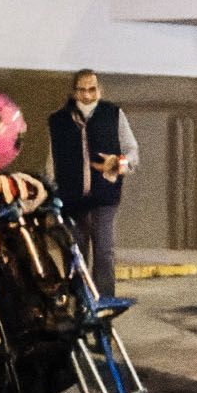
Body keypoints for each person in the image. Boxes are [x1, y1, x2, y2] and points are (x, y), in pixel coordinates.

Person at [47, 70, 139, 299]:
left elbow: (132, 153)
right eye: (82, 89)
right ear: (74, 91)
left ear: (100, 90)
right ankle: (79, 302)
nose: (87, 95)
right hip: (72, 199)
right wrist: (52, 194)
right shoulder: (58, 120)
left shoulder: (113, 114)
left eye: (92, 89)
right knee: (75, 253)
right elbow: (52, 161)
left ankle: (105, 301)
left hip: (104, 197)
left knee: (104, 251)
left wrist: (118, 164)